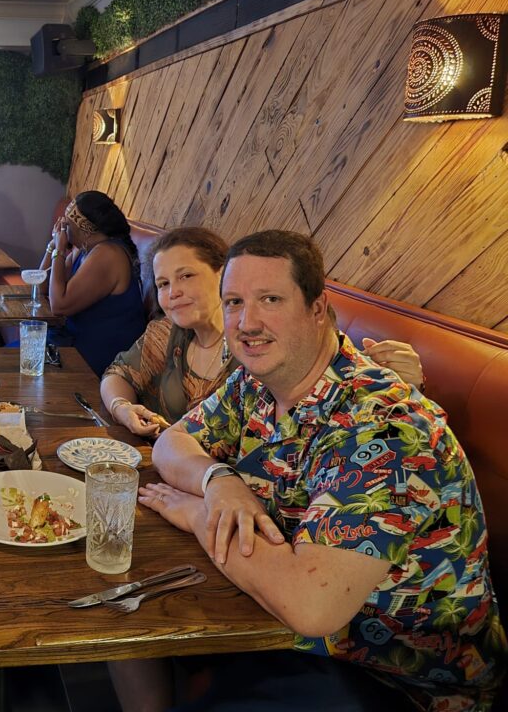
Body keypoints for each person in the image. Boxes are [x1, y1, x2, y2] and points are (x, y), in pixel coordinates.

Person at [136, 230, 505, 711]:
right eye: (234, 302)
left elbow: (311, 606)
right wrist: (218, 481)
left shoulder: (388, 426)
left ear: (317, 308)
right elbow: (172, 442)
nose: (247, 322)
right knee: (125, 600)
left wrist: (198, 513)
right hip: (281, 631)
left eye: (270, 299)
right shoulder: (256, 382)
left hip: (398, 679)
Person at [101, 227, 425, 438]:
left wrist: (403, 380)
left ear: (222, 274)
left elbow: (337, 370)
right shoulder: (172, 335)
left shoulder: (263, 352)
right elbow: (120, 375)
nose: (173, 292)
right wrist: (121, 407)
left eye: (186, 276)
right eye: (163, 284)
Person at [40, 190, 147, 375]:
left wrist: (60, 249)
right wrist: (53, 245)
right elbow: (42, 285)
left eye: (67, 223)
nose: (62, 226)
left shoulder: (107, 255)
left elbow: (59, 305)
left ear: (85, 229)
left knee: (18, 362)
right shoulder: (84, 248)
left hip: (98, 353)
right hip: (74, 339)